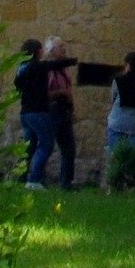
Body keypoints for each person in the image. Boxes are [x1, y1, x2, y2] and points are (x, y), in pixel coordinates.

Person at [103, 50, 135, 180]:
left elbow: (112, 99)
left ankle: (114, 181)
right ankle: (130, 183)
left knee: (115, 156)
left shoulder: (118, 81)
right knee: (132, 158)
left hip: (117, 121)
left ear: (128, 65)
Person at [13, 40, 54, 186]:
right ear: (37, 51)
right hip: (38, 111)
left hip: (26, 112)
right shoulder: (37, 67)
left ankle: (21, 176)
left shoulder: (22, 68)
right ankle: (34, 179)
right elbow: (53, 65)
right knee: (46, 144)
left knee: (29, 147)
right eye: (41, 49)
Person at [41, 38, 79, 188]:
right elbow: (45, 94)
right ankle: (39, 178)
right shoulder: (47, 69)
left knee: (69, 148)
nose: (64, 49)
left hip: (64, 110)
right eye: (60, 47)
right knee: (47, 146)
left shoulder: (63, 69)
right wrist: (62, 93)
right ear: (51, 51)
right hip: (53, 109)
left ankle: (66, 182)